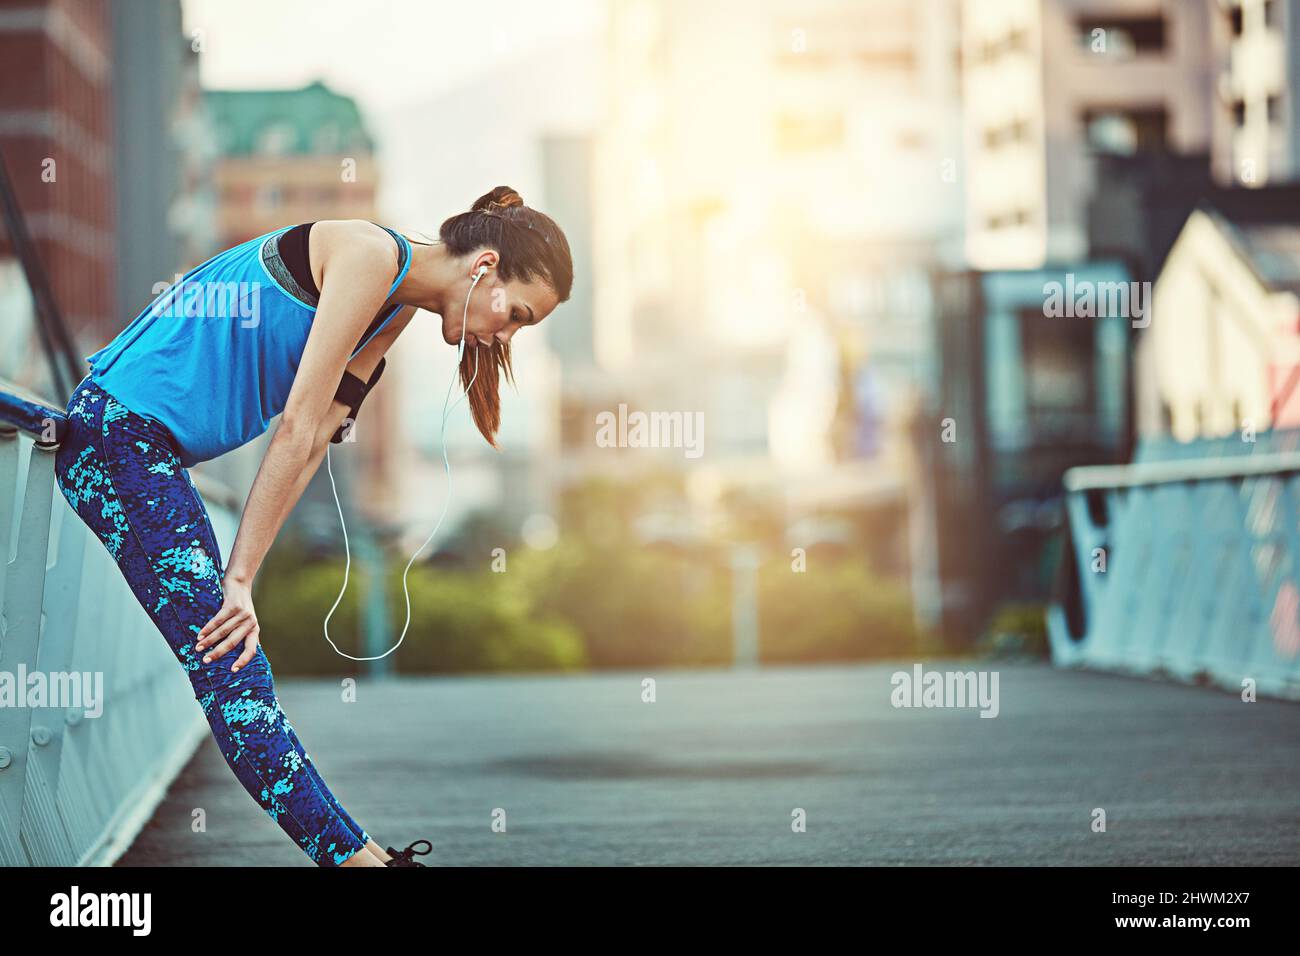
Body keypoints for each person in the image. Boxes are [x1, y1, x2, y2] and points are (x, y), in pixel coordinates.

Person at [53, 186, 574, 867]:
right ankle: (363, 864)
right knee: (234, 678)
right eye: (518, 315)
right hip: (117, 439)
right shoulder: (365, 256)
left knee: (234, 665)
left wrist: (246, 577)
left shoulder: (393, 308)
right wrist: (236, 578)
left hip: (151, 454)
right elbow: (295, 424)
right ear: (482, 266)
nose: (505, 336)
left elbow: (322, 434)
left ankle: (362, 862)